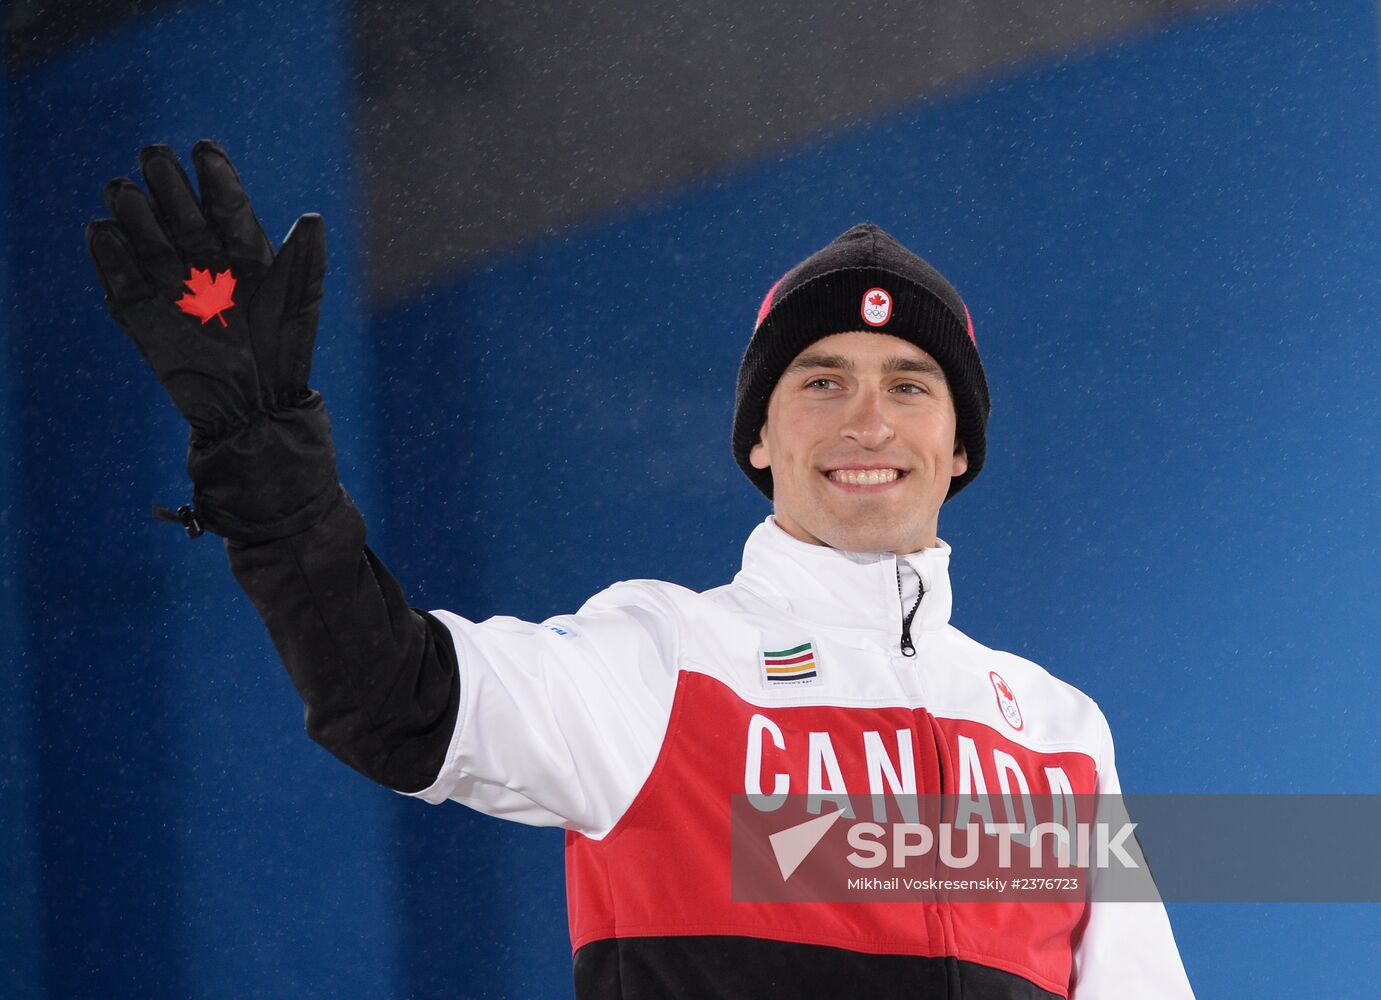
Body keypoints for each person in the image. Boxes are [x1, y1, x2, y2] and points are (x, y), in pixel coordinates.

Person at [87, 141, 1195, 999]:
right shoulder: (663, 662)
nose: (867, 419)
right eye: (820, 382)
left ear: (959, 449)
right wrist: (264, 453)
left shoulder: (1053, 729)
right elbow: (388, 692)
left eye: (910, 385)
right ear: (759, 439)